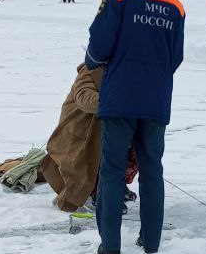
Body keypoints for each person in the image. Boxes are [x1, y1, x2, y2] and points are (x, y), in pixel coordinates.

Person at [84, 0, 185, 254]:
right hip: (156, 100)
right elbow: (175, 58)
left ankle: (111, 245)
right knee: (152, 169)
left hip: (119, 98)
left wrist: (92, 63)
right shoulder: (175, 6)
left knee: (112, 169)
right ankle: (151, 241)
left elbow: (99, 45)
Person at [41, 65, 139, 214]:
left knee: (134, 145)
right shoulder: (90, 70)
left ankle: (116, 186)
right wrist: (115, 101)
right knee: (103, 151)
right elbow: (83, 97)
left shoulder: (126, 72)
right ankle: (100, 193)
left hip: (109, 129)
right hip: (80, 136)